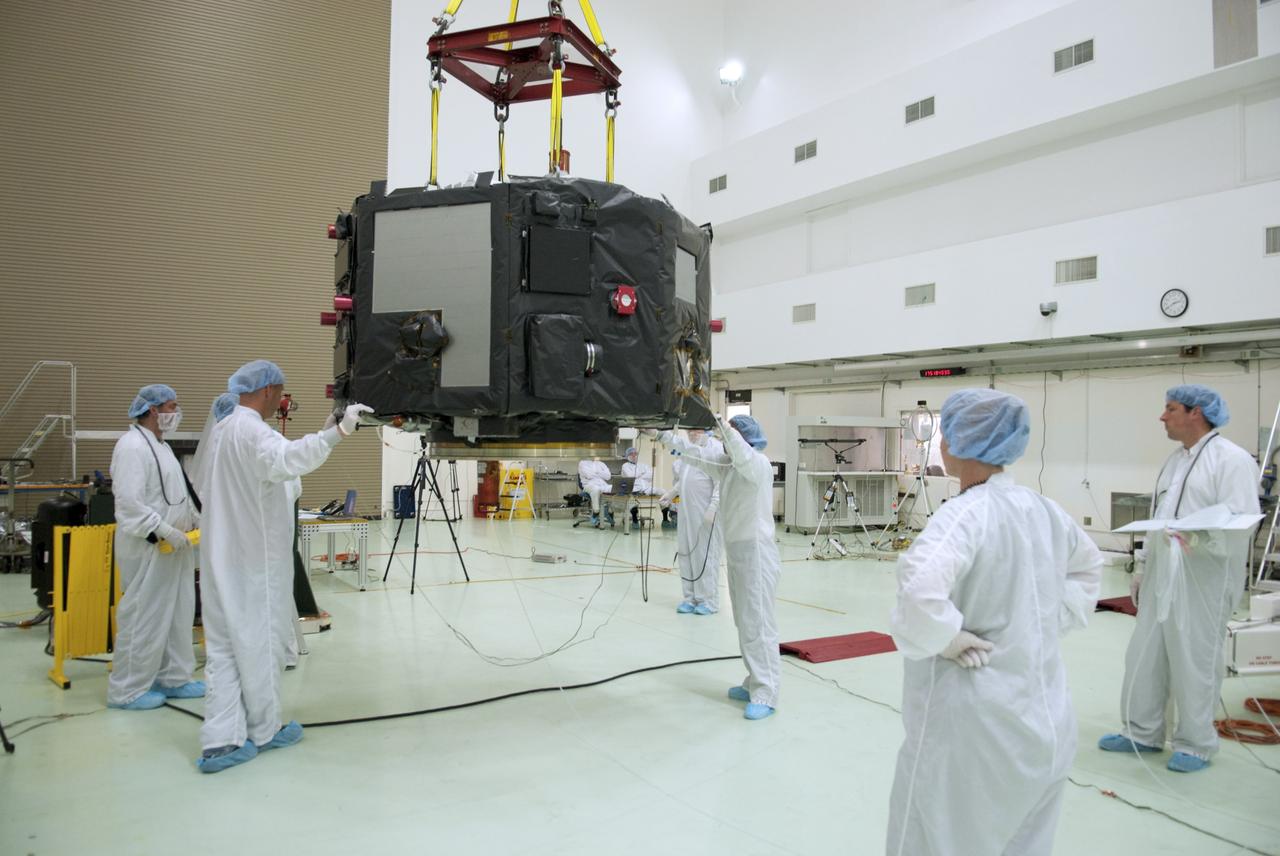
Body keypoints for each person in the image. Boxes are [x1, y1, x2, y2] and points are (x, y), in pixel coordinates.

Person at [886, 388, 1102, 856]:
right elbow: (1088, 570)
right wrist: (1043, 621)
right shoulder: (1044, 510)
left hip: (973, 730)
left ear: (956, 443)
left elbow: (919, 588)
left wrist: (946, 638)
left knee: (935, 838)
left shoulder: (964, 515)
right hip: (1045, 723)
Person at [195, 359, 371, 773]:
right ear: (268, 389)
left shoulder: (222, 429)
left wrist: (327, 426)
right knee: (259, 645)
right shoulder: (251, 430)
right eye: (281, 393)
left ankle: (220, 740)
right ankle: (264, 729)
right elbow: (289, 460)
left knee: (224, 650)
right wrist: (338, 432)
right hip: (253, 562)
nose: (281, 401)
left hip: (222, 558)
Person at [1099, 384, 1260, 773]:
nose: (1162, 416)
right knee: (1145, 653)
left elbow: (1242, 522)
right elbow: (1161, 517)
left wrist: (1198, 536)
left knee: (1195, 659)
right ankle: (1142, 732)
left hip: (1203, 578)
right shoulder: (1175, 460)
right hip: (1162, 575)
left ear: (1196, 413)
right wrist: (1141, 567)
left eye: (1170, 408)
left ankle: (1195, 743)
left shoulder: (1231, 460)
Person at [653, 415, 781, 720]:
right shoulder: (729, 466)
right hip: (738, 552)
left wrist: (722, 423)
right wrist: (661, 435)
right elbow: (695, 454)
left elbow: (739, 450)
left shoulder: (757, 464)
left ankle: (767, 691)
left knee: (758, 623)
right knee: (743, 620)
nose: (723, 442)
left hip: (757, 554)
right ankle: (754, 681)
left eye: (729, 436)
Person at [106, 384, 204, 710]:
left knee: (177, 614)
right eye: (172, 406)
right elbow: (130, 505)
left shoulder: (162, 447)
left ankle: (173, 678)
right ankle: (127, 690)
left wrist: (193, 521)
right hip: (148, 547)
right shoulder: (131, 446)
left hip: (175, 548)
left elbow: (177, 494)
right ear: (152, 410)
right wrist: (163, 530)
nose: (176, 413)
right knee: (143, 616)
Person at [667, 429, 723, 615]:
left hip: (704, 512)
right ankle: (690, 598)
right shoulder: (690, 449)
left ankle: (708, 600)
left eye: (696, 430)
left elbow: (720, 481)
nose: (692, 433)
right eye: (689, 430)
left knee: (705, 556)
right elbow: (684, 478)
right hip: (686, 511)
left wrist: (714, 507)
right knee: (686, 553)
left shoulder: (715, 449)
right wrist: (672, 493)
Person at [620, 446, 654, 529]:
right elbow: (631, 476)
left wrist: (638, 475)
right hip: (633, 489)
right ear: (627, 456)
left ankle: (665, 518)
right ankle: (635, 519)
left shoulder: (643, 465)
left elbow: (650, 476)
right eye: (631, 454)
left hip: (646, 488)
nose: (634, 455)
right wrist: (642, 474)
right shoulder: (625, 466)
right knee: (632, 499)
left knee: (663, 492)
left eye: (635, 454)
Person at [577, 457, 613, 528]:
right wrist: (601, 473)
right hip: (589, 485)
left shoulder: (601, 464)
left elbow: (608, 476)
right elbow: (588, 475)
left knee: (613, 488)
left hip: (602, 484)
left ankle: (610, 510)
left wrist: (596, 473)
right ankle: (596, 512)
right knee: (596, 489)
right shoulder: (582, 463)